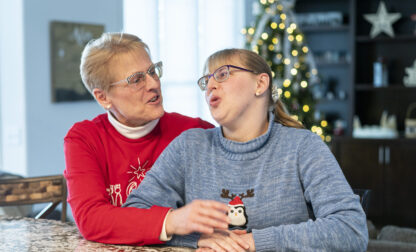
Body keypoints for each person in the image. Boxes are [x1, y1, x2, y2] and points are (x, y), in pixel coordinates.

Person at [123, 48, 369, 251]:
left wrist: (254, 241)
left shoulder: (303, 147)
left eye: (222, 74)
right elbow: (133, 215)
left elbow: (351, 229)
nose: (210, 86)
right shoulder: (189, 146)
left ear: (260, 83)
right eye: (206, 80)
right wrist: (195, 238)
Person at [63, 32, 215, 245]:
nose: (154, 84)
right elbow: (91, 219)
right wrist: (171, 221)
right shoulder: (84, 138)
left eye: (153, 71)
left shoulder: (195, 131)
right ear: (103, 97)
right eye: (136, 79)